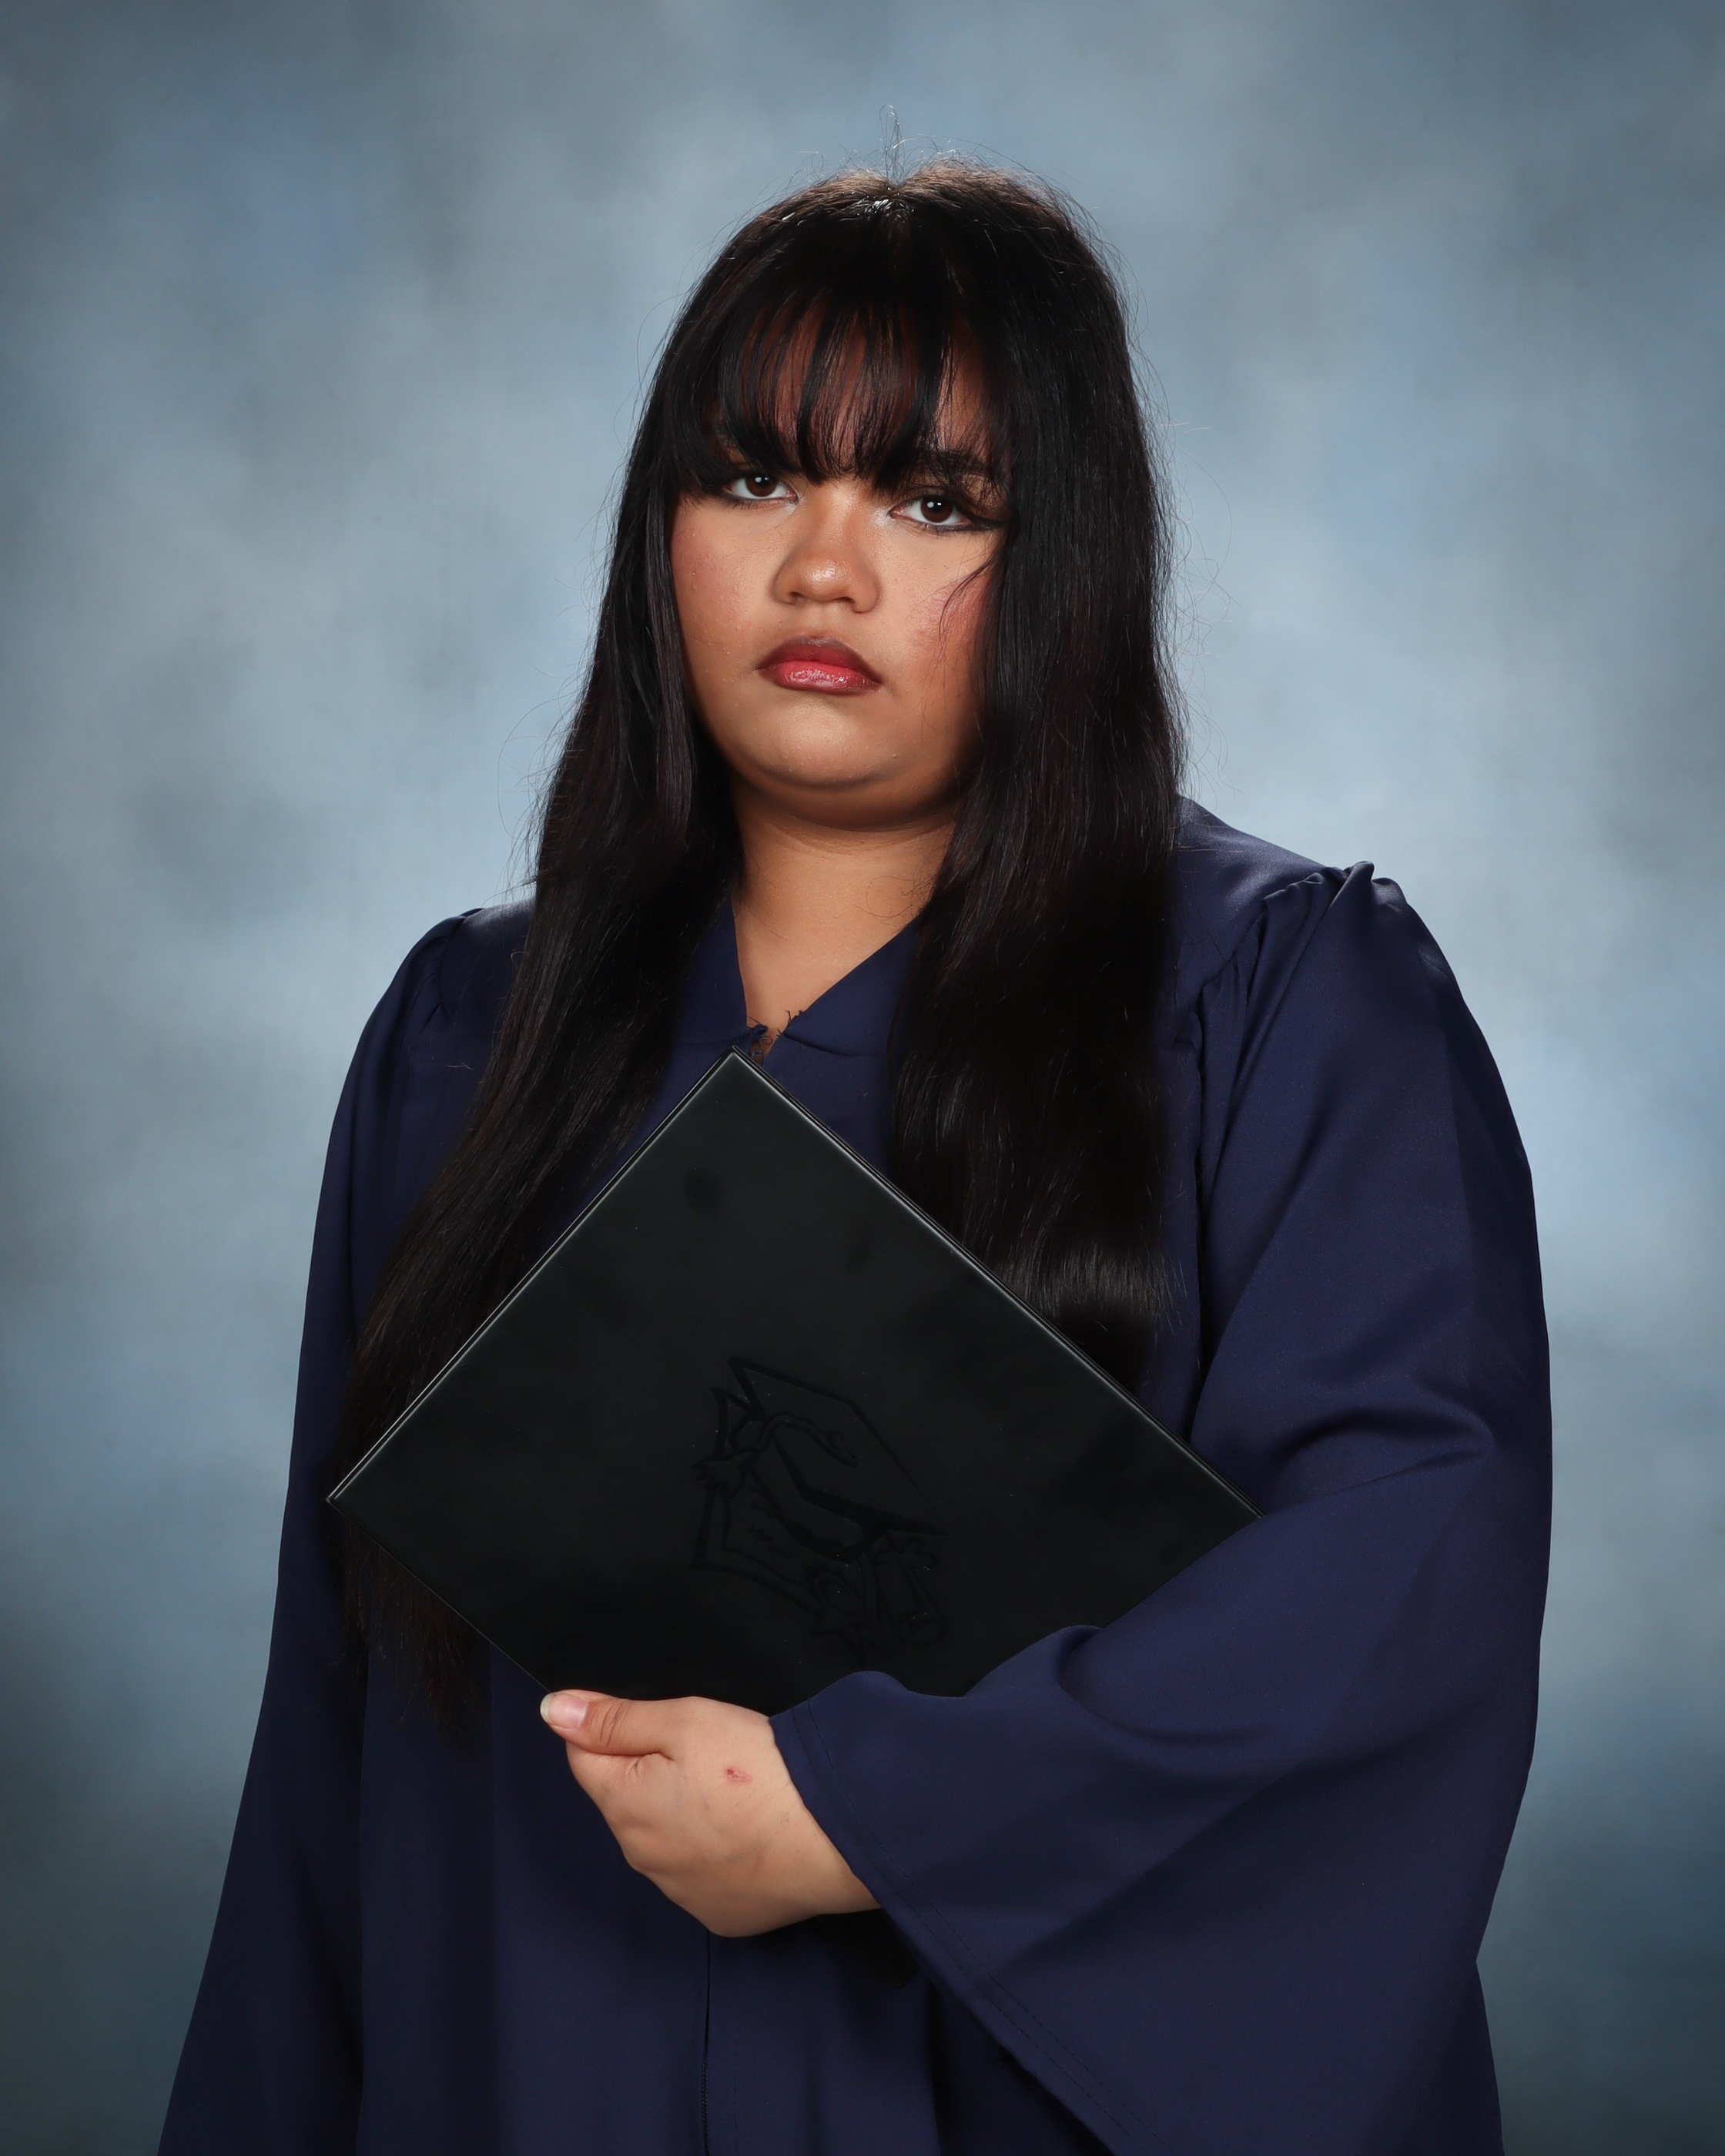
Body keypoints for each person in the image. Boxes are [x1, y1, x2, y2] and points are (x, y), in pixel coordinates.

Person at [159, 161, 1549, 2156]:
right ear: (659, 534)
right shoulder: (471, 1039)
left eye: (933, 499)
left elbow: (1396, 1593)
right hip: (530, 2071)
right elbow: (332, 1740)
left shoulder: (1284, 1004)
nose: (822, 568)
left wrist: (871, 1812)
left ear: (1065, 555)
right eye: (750, 479)